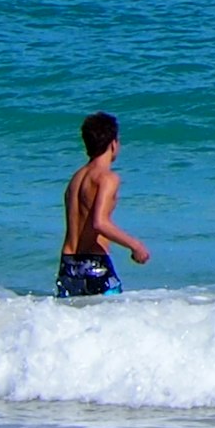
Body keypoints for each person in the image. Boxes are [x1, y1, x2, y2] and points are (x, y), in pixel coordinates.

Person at [56, 111, 151, 299]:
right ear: (113, 143)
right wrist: (135, 245)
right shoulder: (107, 178)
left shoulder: (76, 179)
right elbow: (99, 222)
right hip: (94, 262)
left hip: (68, 263)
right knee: (114, 319)